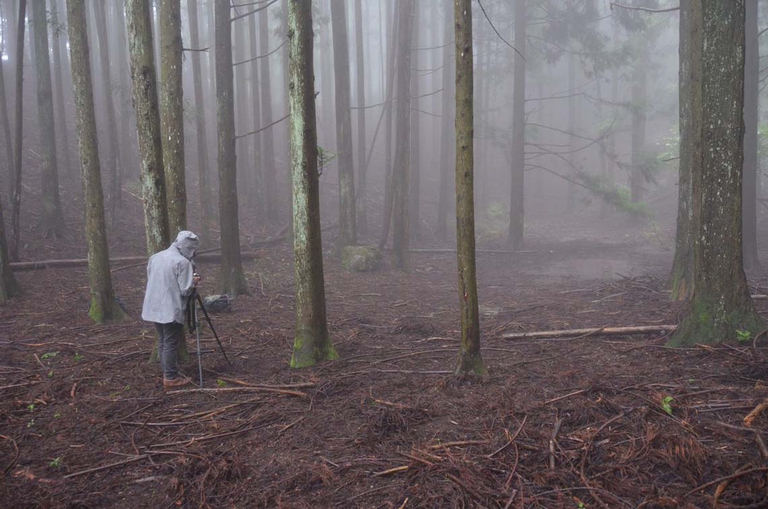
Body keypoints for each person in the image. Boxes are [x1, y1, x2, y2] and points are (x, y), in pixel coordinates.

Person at [141, 231, 202, 388]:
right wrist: (193, 282)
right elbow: (185, 290)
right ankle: (170, 377)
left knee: (163, 339)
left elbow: (152, 278)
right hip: (169, 307)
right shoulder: (182, 262)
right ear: (188, 247)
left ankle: (166, 371)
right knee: (169, 342)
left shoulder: (155, 257)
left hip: (153, 305)